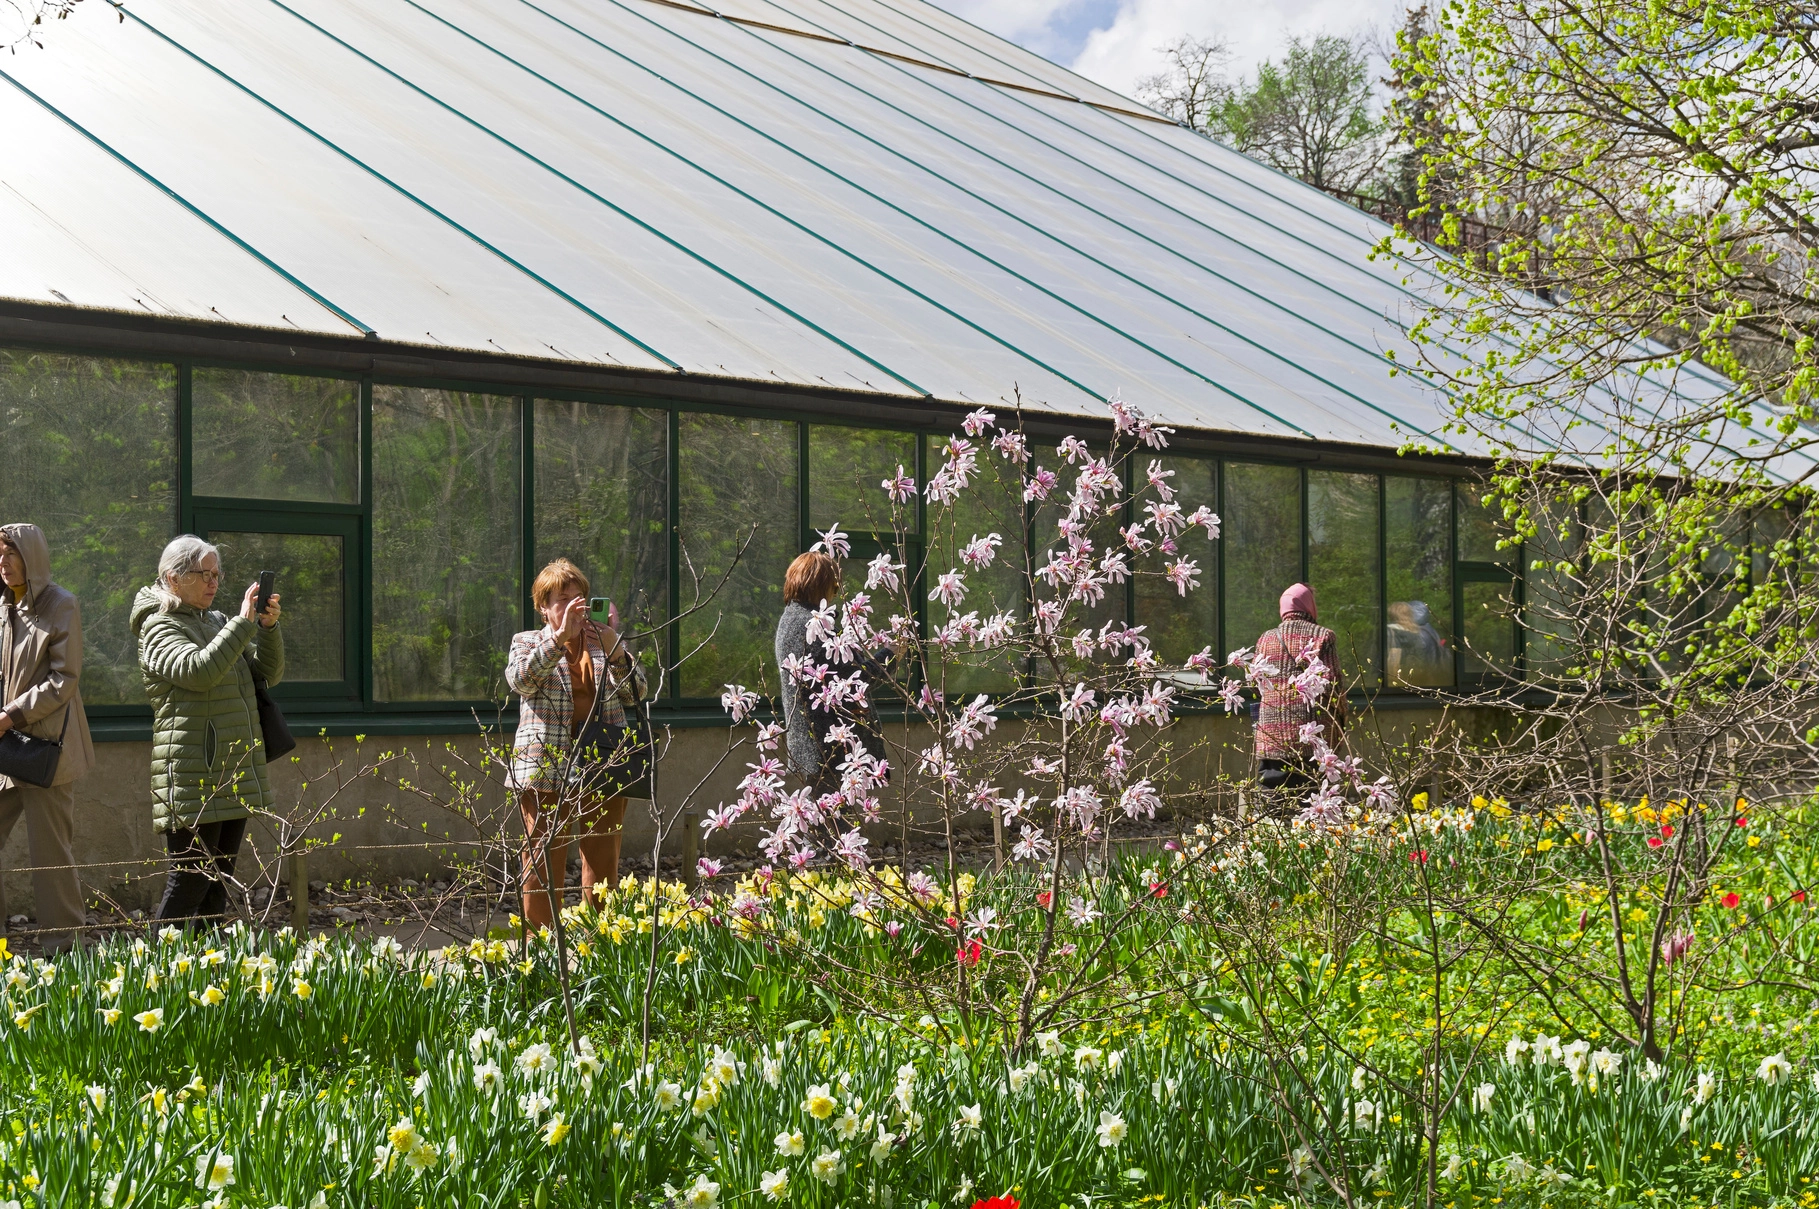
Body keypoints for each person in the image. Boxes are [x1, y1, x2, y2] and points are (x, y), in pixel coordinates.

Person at [130, 535, 283, 925]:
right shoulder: (158, 627)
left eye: (217, 574)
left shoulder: (216, 621)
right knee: (189, 881)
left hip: (232, 768)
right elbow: (198, 672)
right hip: (193, 771)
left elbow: (267, 674)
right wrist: (243, 624)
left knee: (219, 882)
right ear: (173, 578)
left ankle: (202, 972)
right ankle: (154, 972)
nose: (214, 582)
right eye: (204, 574)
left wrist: (265, 628)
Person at [506, 558, 645, 928]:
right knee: (541, 857)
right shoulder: (527, 642)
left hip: (602, 761)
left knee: (602, 858)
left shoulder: (603, 640)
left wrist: (617, 652)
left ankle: (599, 941)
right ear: (542, 607)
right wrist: (558, 639)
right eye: (561, 599)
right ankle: (540, 945)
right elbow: (521, 680)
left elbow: (637, 693)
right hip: (545, 763)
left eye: (578, 597)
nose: (572, 605)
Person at [0, 525, 94, 951]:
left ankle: (64, 951)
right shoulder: (3, 607)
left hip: (46, 750)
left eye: (9, 554)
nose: (2, 563)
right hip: (3, 746)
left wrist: (10, 715)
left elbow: (64, 680)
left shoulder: (62, 604)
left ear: (32, 557)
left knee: (52, 855)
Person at [773, 551, 887, 794]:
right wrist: (890, 654)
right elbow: (857, 679)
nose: (835, 593)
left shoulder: (789, 619)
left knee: (823, 825)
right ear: (820, 585)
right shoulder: (812, 625)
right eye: (833, 586)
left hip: (813, 745)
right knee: (836, 828)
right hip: (832, 749)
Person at [1252, 582, 1347, 791]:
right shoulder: (1323, 636)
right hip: (1312, 735)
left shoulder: (1266, 638)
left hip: (1271, 735)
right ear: (1309, 606)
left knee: (1273, 800)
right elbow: (1333, 685)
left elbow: (1254, 682)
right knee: (1311, 799)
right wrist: (1342, 718)